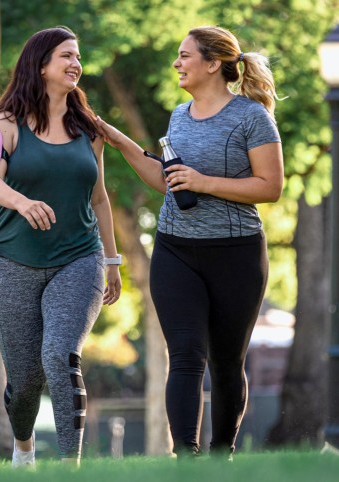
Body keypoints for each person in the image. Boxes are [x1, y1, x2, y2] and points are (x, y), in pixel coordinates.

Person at [96, 26, 283, 459]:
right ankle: (187, 457)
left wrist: (205, 182)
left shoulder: (252, 117)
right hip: (175, 249)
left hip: (235, 253)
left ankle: (222, 455)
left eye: (185, 56)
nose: (177, 64)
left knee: (225, 361)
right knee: (184, 354)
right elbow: (169, 182)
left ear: (213, 63)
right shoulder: (180, 115)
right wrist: (120, 140)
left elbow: (270, 187)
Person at [0, 26, 122, 468]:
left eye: (78, 56)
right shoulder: (3, 124)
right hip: (10, 262)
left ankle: (69, 466)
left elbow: (98, 197)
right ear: (41, 65)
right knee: (24, 381)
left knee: (60, 355)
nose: (76, 64)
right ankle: (23, 448)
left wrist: (113, 260)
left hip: (79, 258)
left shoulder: (88, 130)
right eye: (66, 56)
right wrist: (22, 203)